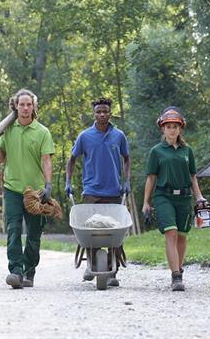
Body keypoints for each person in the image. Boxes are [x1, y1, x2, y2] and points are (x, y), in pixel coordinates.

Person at [0, 88, 55, 289]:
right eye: (22, 104)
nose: (25, 108)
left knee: (34, 234)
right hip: (12, 188)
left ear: (34, 107)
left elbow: (46, 161)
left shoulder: (42, 132)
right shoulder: (8, 130)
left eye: (29, 104)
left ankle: (29, 272)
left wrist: (48, 185)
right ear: (15, 107)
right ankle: (16, 271)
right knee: (13, 230)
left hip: (35, 192)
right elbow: (1, 159)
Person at [65, 97, 130, 287]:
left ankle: (112, 271)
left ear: (110, 113)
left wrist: (126, 181)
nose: (101, 114)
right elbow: (72, 159)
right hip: (91, 190)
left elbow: (126, 158)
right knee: (90, 230)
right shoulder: (85, 136)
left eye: (105, 111)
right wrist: (68, 181)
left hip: (113, 190)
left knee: (114, 231)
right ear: (94, 114)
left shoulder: (119, 136)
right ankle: (92, 264)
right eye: (98, 112)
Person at [142, 107, 206, 292]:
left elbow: (193, 176)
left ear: (180, 129)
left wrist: (199, 197)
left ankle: (179, 269)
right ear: (163, 129)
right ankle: (176, 276)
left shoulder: (188, 151)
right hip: (163, 196)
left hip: (184, 198)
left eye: (175, 126)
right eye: (168, 126)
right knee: (171, 232)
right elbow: (151, 177)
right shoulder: (157, 151)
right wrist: (146, 202)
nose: (172, 129)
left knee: (182, 237)